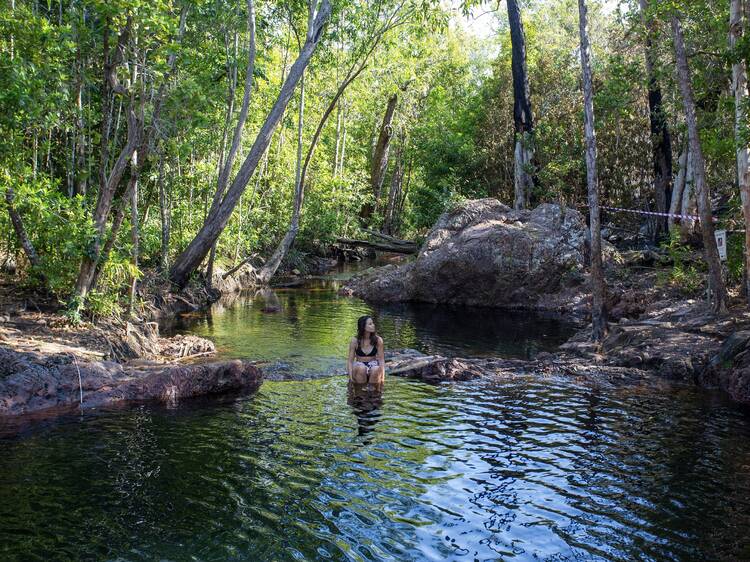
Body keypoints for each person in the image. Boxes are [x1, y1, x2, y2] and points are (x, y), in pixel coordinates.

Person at [347, 315, 385, 384]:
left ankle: (374, 393)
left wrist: (382, 378)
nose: (373, 325)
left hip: (373, 365)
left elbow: (381, 360)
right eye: (370, 324)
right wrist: (350, 378)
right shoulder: (355, 341)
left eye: (373, 323)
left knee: (376, 369)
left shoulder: (378, 340)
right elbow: (350, 361)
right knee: (361, 368)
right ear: (363, 327)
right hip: (359, 366)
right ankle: (360, 393)